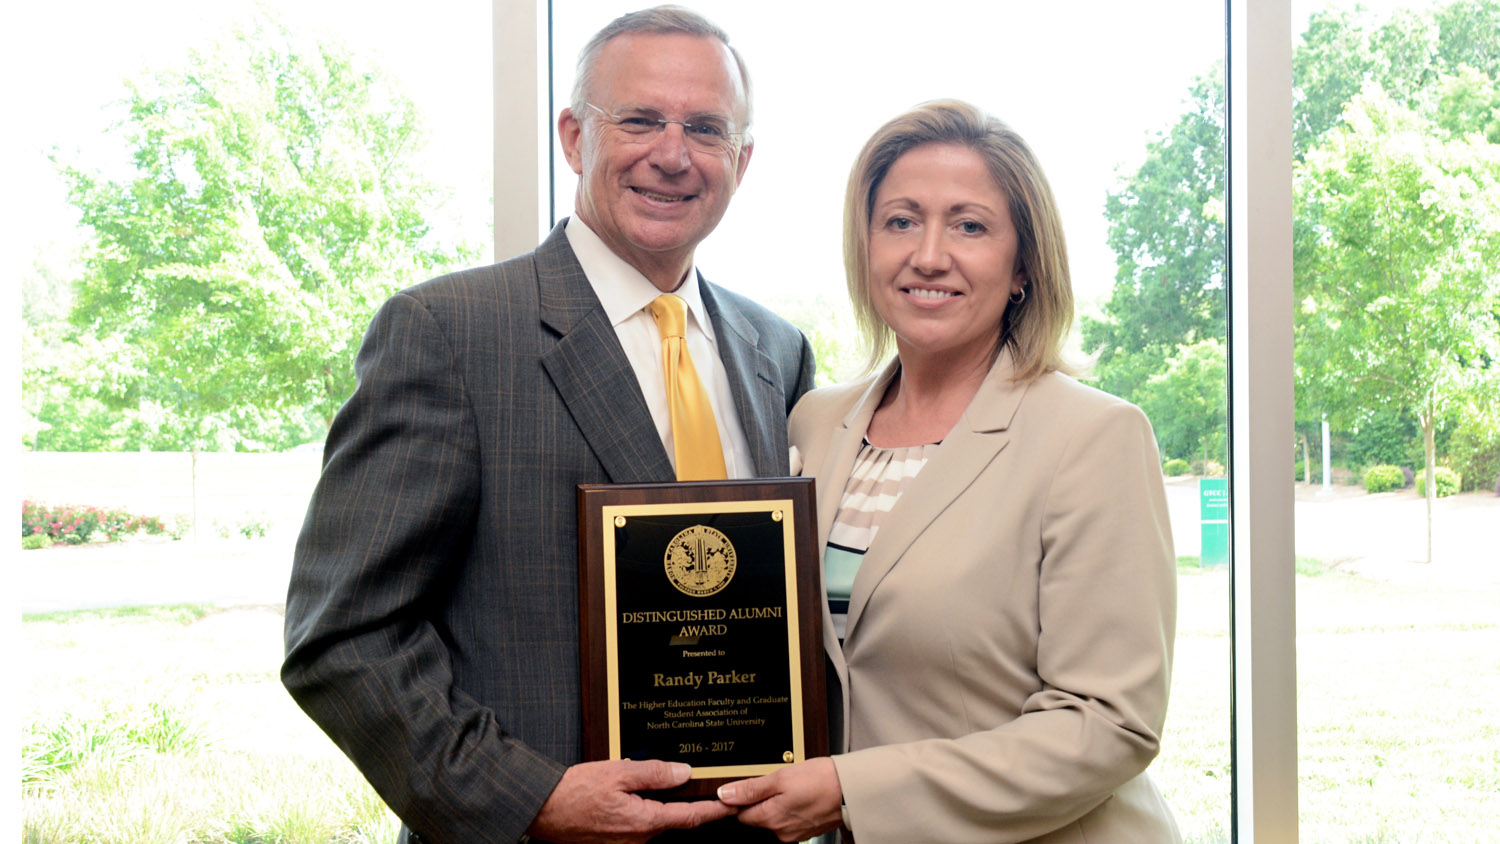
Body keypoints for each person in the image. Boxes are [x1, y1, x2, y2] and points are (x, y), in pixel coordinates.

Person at [281, 7, 815, 843]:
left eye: (706, 129)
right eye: (637, 119)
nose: (671, 155)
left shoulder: (775, 350)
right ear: (573, 137)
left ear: (741, 161)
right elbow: (343, 636)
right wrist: (528, 799)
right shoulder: (449, 332)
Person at [718, 100, 1180, 843]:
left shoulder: (1095, 437)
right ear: (866, 247)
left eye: (969, 225)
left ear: (1023, 264)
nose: (928, 255)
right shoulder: (814, 423)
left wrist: (849, 790)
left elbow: (1108, 724)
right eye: (901, 221)